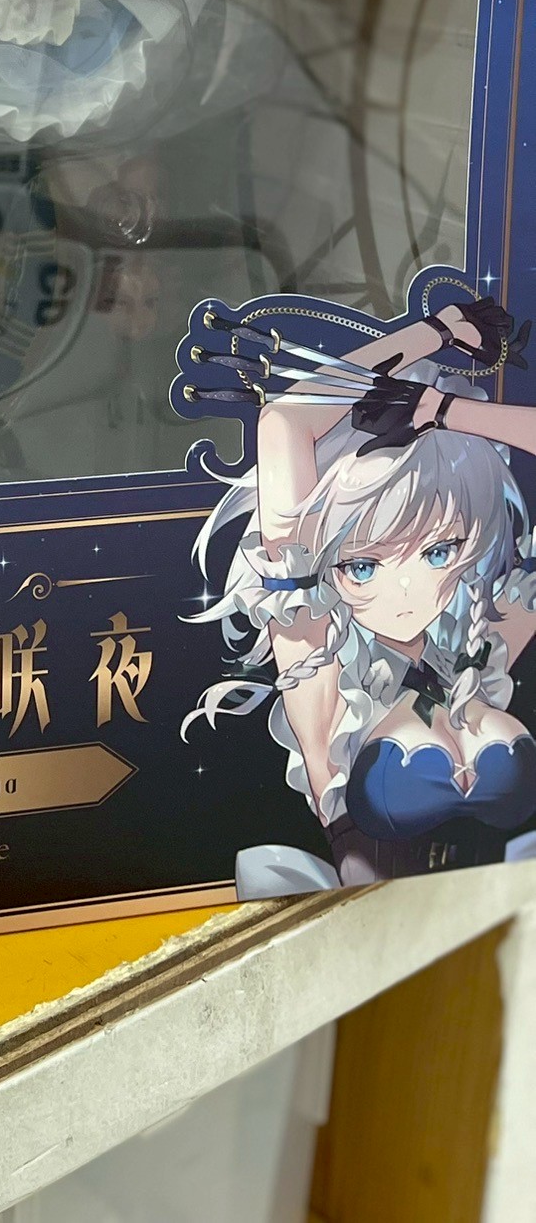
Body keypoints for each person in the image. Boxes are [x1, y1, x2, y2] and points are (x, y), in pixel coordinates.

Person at [183, 291, 536, 886]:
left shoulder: (481, 645)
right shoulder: (319, 667)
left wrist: (443, 409)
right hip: (376, 926)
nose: (407, 589)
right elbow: (284, 423)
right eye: (364, 566)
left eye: (439, 552)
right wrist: (436, 331)